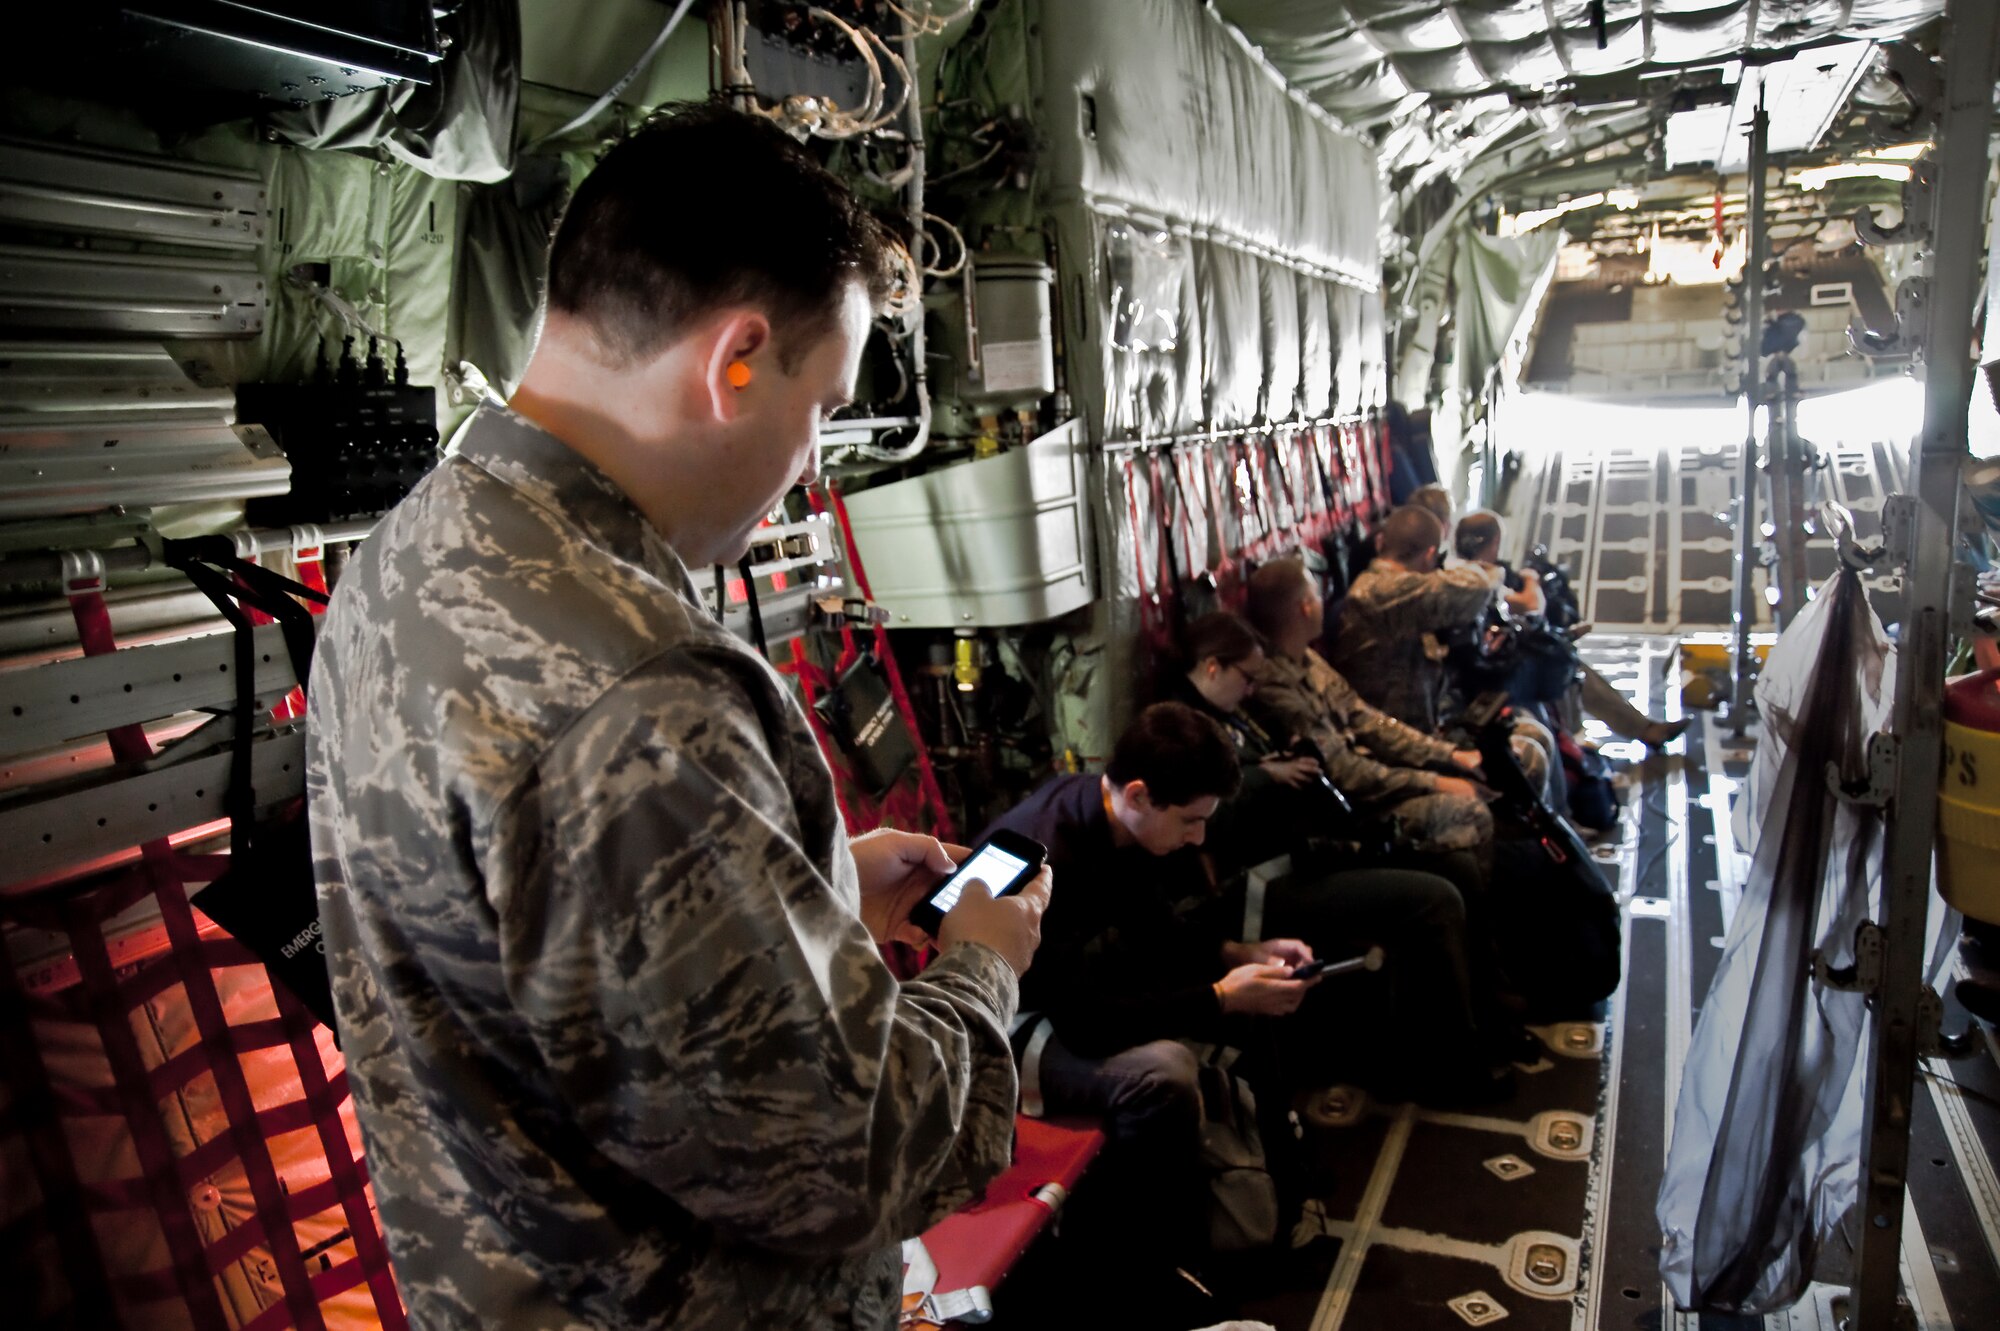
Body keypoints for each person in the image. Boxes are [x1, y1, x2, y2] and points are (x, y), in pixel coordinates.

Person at [306, 105, 1050, 1330]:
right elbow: (853, 1163)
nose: (810, 463)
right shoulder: (642, 691)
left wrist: (796, 879)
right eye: (821, 407)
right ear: (736, 358)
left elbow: (544, 954)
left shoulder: (407, 557)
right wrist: (981, 963)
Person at [1244, 557, 1495, 855]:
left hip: (1371, 785)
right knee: (1471, 814)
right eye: (1316, 594)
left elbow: (1365, 719)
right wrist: (1435, 783)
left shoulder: (1307, 660)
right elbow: (1345, 773)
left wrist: (1449, 755)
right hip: (1348, 815)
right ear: (1305, 607)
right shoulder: (1273, 686)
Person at [1331, 505, 1557, 794]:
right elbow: (1476, 585)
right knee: (1528, 757)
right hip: (1396, 744)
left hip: (1423, 728)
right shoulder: (1380, 592)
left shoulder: (1391, 590)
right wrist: (1480, 567)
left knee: (1533, 734)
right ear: (1429, 555)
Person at [1454, 510, 1689, 749]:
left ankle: (1639, 730)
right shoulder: (1482, 576)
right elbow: (1531, 605)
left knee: (1562, 656)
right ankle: (1577, 744)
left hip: (1488, 658)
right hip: (1490, 671)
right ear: (1495, 542)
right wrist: (1532, 579)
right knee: (1560, 662)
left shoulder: (1455, 574)